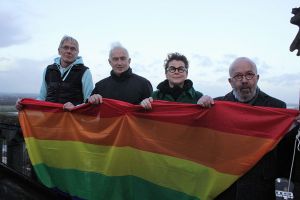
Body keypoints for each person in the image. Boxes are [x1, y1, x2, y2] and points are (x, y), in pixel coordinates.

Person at [201, 57, 300, 200]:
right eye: (238, 76)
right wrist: (199, 109)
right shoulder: (216, 106)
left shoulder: (277, 107)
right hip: (224, 188)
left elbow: (285, 152)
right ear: (230, 81)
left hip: (261, 189)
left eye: (249, 74)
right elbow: (202, 140)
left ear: (257, 78)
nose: (244, 80)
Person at [16, 35, 93, 110]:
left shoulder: (85, 72)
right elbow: (42, 98)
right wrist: (25, 105)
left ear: (77, 53)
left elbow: (89, 102)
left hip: (72, 120)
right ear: (59, 51)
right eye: (66, 47)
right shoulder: (48, 70)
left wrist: (75, 107)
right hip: (49, 119)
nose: (69, 51)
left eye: (73, 49)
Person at [88, 43, 152, 105]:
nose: (119, 63)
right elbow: (87, 110)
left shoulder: (144, 84)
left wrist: (144, 104)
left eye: (123, 58)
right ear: (110, 62)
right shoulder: (100, 86)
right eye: (115, 59)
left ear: (129, 61)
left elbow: (154, 110)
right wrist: (91, 100)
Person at [140, 52, 209, 109]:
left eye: (181, 69)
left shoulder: (198, 97)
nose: (176, 72)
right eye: (172, 69)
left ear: (186, 74)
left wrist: (209, 102)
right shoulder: (155, 96)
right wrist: (143, 104)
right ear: (166, 74)